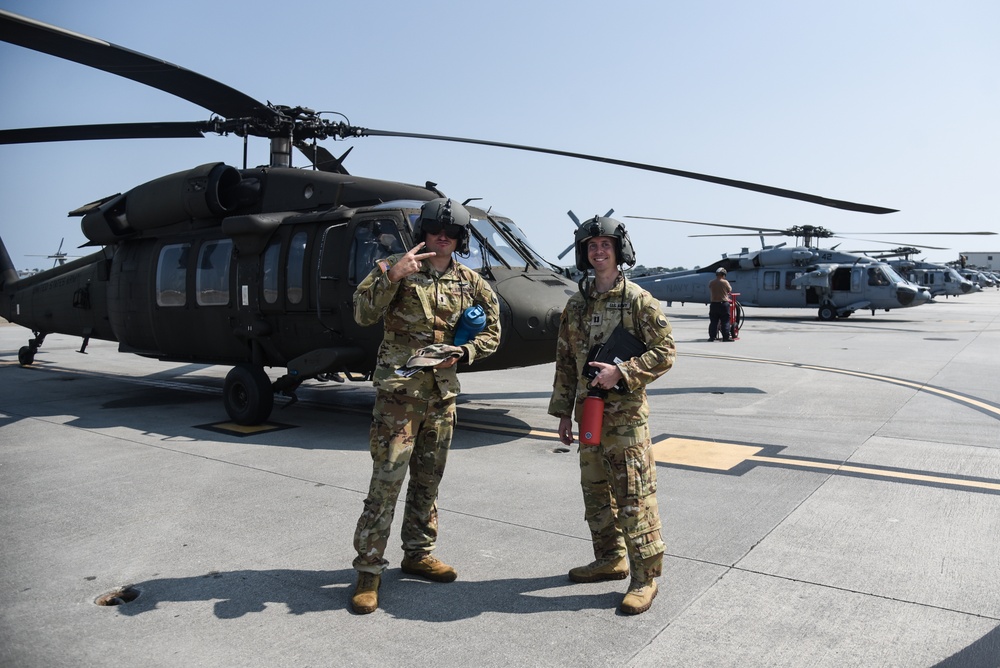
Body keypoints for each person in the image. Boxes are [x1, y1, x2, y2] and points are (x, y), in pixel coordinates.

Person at [350, 198, 501, 614]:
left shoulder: (470, 281)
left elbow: (493, 331)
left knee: (427, 481)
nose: (443, 237)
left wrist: (466, 352)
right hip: (400, 397)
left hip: (441, 397)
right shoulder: (396, 267)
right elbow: (363, 313)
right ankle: (368, 570)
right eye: (436, 229)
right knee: (386, 482)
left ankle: (417, 553)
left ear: (460, 239)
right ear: (424, 231)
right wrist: (390, 277)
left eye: (451, 233)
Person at [548, 216, 676, 615]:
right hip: (589, 416)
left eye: (605, 245)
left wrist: (623, 371)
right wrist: (563, 414)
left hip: (625, 421)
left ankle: (645, 577)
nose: (598, 251)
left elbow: (666, 350)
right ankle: (609, 560)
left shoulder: (638, 299)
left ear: (619, 251)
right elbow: (566, 361)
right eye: (591, 246)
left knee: (634, 498)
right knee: (596, 494)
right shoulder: (577, 303)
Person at [708, 267, 732, 341]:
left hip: (714, 304)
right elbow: (729, 290)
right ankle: (726, 337)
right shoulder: (725, 282)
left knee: (713, 322)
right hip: (723, 304)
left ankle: (712, 337)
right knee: (725, 321)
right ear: (723, 274)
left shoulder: (711, 282)